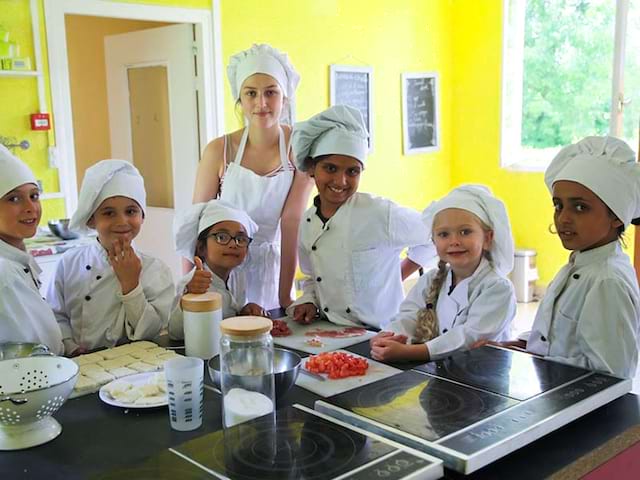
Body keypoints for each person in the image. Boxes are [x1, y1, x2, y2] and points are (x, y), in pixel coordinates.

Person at [287, 105, 436, 329]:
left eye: (352, 171)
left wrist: (399, 273)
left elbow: (435, 235)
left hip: (382, 334)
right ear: (311, 168)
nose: (341, 181)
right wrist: (309, 301)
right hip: (331, 331)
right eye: (330, 168)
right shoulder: (307, 224)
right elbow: (312, 278)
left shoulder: (380, 214)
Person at [503, 136, 639, 379]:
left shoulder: (607, 281)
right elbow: (562, 336)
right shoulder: (581, 263)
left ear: (616, 216)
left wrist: (533, 359)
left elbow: (610, 375)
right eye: (558, 205)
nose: (563, 218)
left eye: (579, 207)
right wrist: (521, 345)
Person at [192, 43, 312, 310]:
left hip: (274, 269)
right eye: (251, 93)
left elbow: (291, 221)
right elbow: (196, 223)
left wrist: (285, 297)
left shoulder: (298, 148)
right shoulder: (219, 150)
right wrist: (192, 285)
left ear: (284, 97)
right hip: (223, 270)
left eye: (271, 92)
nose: (261, 103)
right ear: (240, 99)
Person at [371, 185, 517, 362]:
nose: (454, 241)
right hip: (442, 371)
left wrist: (411, 352)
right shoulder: (430, 280)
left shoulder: (497, 287)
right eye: (444, 234)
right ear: (434, 241)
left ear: (487, 238)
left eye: (465, 232)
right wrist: (391, 337)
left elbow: (469, 337)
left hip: (482, 377)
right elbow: (409, 315)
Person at [46, 160, 174, 356]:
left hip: (133, 370)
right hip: (76, 365)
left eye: (131, 211)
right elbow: (55, 315)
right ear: (91, 219)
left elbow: (152, 331)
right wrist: (70, 347)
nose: (122, 221)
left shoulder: (156, 270)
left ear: (142, 216)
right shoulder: (69, 263)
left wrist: (130, 284)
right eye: (109, 213)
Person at [169, 200, 264, 340]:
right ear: (201, 247)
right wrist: (190, 295)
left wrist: (244, 311)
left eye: (241, 239)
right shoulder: (191, 283)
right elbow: (175, 333)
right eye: (222, 237)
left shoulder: (239, 276)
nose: (233, 244)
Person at [0, 145, 63, 354]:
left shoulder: (16, 261)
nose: (30, 207)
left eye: (34, 196)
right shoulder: (5, 274)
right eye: (14, 198)